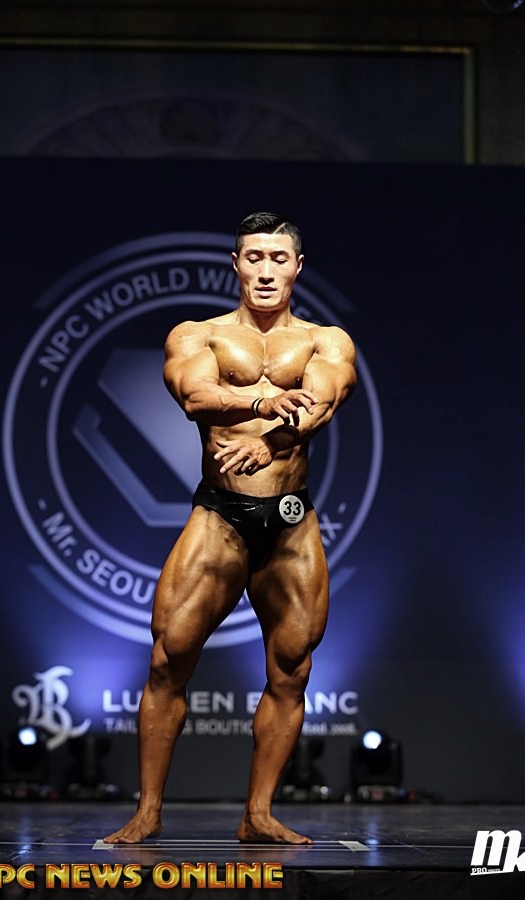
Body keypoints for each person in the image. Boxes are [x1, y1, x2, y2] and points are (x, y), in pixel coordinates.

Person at [104, 212, 356, 845]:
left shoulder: (325, 341)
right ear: (236, 264)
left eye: (278, 258)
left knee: (292, 669)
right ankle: (148, 811)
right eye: (255, 257)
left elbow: (322, 403)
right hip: (220, 515)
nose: (266, 270)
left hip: (290, 521)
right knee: (168, 657)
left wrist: (271, 442)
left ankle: (258, 814)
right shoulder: (200, 336)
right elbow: (195, 396)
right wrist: (261, 402)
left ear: (297, 267)